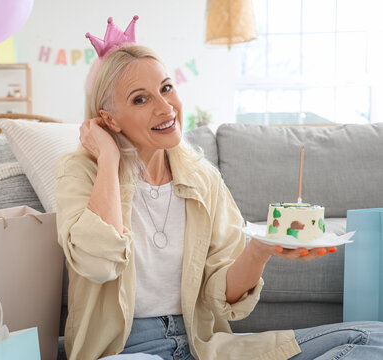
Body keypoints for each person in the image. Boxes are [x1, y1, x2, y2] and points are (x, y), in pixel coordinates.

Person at [54, 16, 383, 360]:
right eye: (140, 99)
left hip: (203, 346)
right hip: (125, 349)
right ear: (109, 120)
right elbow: (97, 264)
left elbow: (221, 300)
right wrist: (108, 159)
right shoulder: (81, 171)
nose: (166, 107)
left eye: (166, 88)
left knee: (371, 337)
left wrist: (258, 250)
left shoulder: (202, 178)